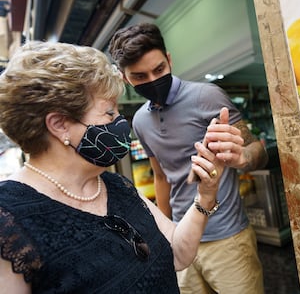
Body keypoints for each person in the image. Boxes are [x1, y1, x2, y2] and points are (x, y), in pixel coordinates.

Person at [0, 41, 225, 293]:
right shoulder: (9, 220)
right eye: (109, 113)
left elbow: (179, 255)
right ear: (60, 125)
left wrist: (205, 195)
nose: (120, 121)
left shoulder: (116, 186)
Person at [109, 23, 269, 294]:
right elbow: (161, 177)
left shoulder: (207, 96)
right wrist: (164, 234)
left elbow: (259, 150)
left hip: (228, 238)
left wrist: (242, 157)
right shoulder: (140, 121)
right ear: (126, 79)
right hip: (182, 239)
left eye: (159, 70)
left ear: (169, 60)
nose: (152, 80)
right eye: (139, 76)